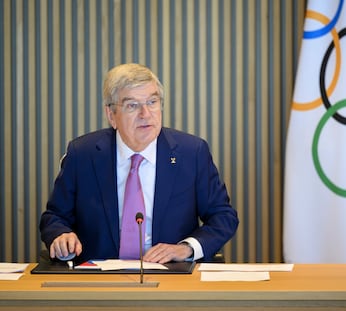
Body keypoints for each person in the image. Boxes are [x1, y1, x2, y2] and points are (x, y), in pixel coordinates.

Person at [39, 63, 239, 264]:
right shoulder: (83, 153)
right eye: (132, 105)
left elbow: (223, 216)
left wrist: (186, 248)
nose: (145, 114)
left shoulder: (192, 153)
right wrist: (61, 235)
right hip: (98, 280)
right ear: (111, 115)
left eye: (152, 102)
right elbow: (54, 217)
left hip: (172, 277)